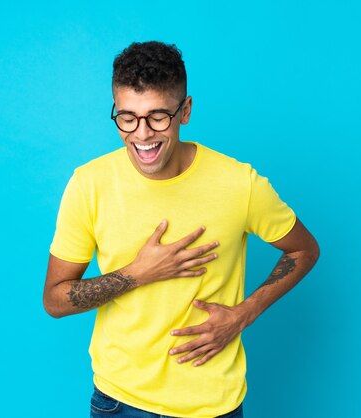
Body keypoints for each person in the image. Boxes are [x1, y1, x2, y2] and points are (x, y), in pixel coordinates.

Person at [43, 41, 320, 418]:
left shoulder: (239, 184)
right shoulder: (89, 184)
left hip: (212, 404)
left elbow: (304, 250)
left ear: (184, 111)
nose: (141, 134)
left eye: (158, 117)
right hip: (119, 402)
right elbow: (55, 300)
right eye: (127, 117)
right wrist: (138, 274)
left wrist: (244, 314)